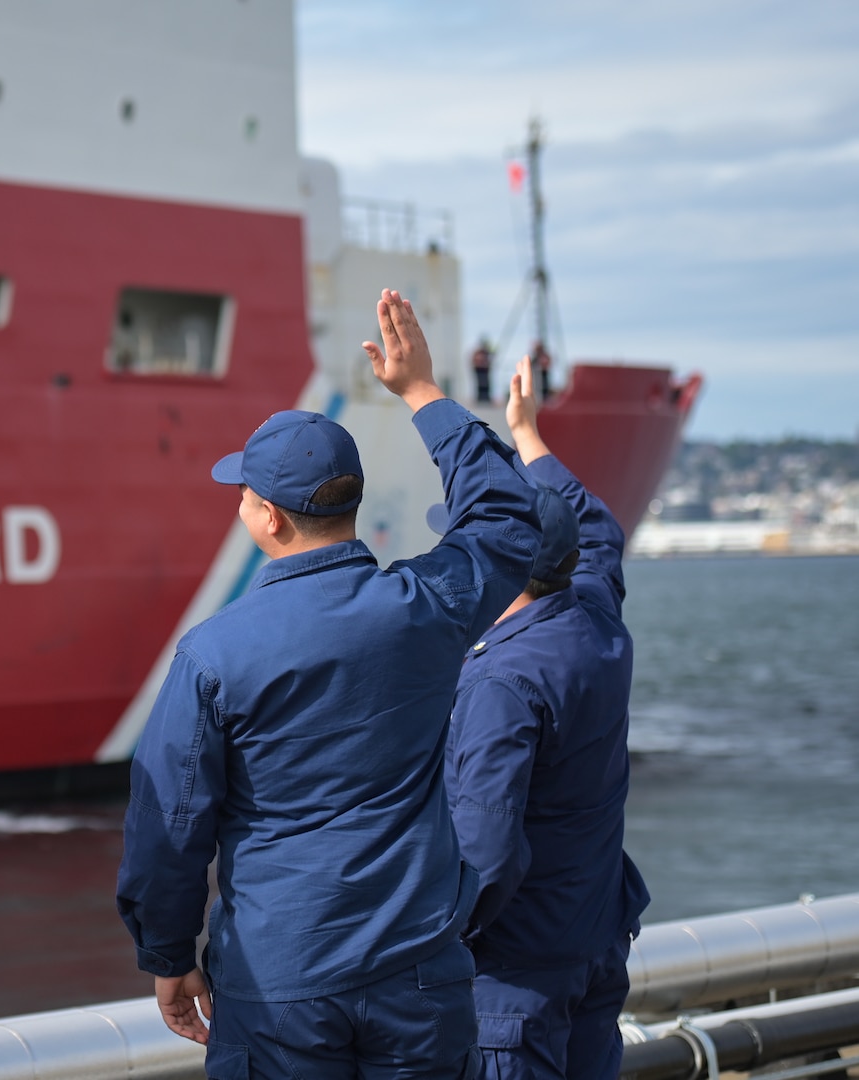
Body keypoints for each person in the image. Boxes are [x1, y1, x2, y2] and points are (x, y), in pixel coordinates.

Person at [116, 289, 544, 1077]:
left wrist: (168, 953)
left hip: (280, 980)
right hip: (419, 969)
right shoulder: (425, 609)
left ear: (268, 520)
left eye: (244, 492)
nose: (240, 502)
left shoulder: (213, 654)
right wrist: (422, 394)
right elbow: (509, 519)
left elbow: (169, 828)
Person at [445, 357, 650, 1080]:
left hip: (514, 979)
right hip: (594, 944)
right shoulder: (592, 614)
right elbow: (595, 529)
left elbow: (486, 850)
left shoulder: (501, 679)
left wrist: (433, 940)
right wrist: (525, 434)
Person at [471, 337, 494, 403]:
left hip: (485, 369)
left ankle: (486, 398)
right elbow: (474, 360)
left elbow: (490, 358)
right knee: (480, 384)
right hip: (479, 369)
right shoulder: (478, 352)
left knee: (486, 384)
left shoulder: (486, 352)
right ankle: (480, 398)